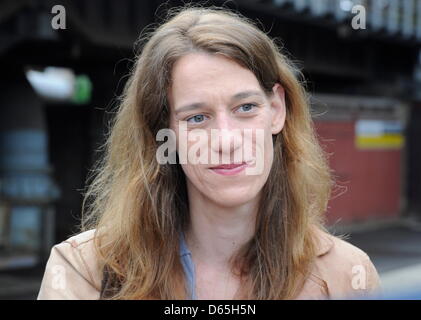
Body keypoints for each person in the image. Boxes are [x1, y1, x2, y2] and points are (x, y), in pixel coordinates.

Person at [37, 5, 382, 300]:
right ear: (163, 132)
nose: (227, 140)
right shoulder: (84, 271)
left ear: (276, 109)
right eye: (197, 117)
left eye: (245, 107)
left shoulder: (347, 275)